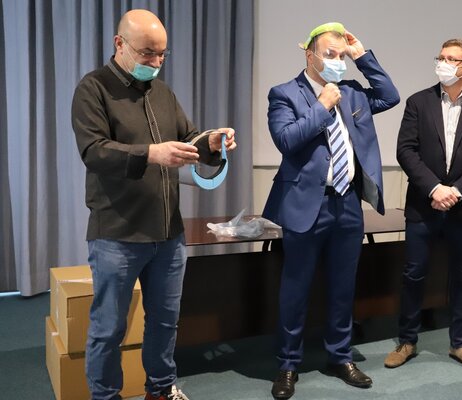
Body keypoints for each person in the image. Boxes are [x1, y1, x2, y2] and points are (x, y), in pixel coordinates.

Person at [71, 9, 236, 400]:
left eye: (162, 54)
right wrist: (150, 153)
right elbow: (94, 151)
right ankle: (105, 396)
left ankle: (160, 390)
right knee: (109, 329)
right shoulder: (93, 88)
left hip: (168, 234)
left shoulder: (162, 93)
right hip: (117, 233)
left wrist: (211, 143)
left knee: (165, 322)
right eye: (148, 53)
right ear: (120, 44)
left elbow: (189, 140)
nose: (157, 61)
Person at [262, 22, 399, 399]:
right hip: (306, 203)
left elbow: (390, 96)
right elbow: (286, 140)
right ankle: (288, 363)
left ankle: (340, 356)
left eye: (342, 56)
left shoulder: (353, 92)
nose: (338, 61)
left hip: (347, 202)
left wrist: (361, 56)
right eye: (330, 54)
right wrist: (322, 106)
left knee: (343, 286)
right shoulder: (284, 93)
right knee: (296, 288)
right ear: (310, 56)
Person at [387, 39, 462, 371]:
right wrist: (435, 189)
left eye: (451, 59)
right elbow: (406, 151)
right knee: (414, 273)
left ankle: (460, 344)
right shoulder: (418, 102)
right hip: (423, 205)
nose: (443, 64)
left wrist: (456, 191)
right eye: (441, 57)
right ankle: (407, 340)